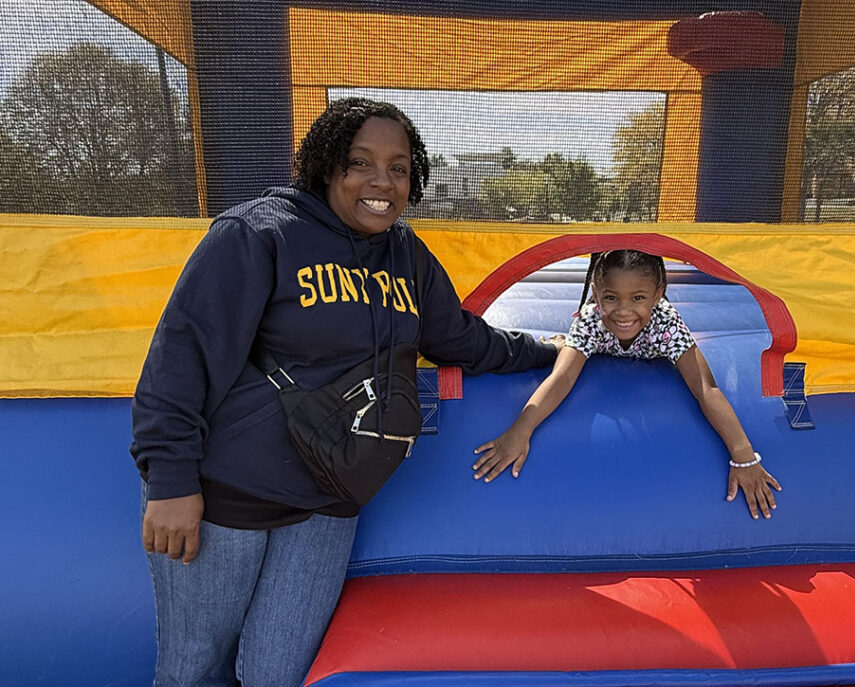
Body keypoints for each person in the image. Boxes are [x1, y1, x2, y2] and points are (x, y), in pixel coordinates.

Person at [130, 97, 560, 687]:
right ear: (327, 166)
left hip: (330, 503)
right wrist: (171, 480)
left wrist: (561, 348)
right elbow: (182, 359)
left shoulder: (405, 254)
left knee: (275, 676)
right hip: (231, 499)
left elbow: (460, 340)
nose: (382, 182)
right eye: (361, 163)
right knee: (193, 671)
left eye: (399, 168)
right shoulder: (258, 233)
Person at [472, 249, 782, 520]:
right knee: (561, 355)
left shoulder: (666, 323)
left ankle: (561, 343)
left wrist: (743, 455)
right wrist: (521, 429)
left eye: (638, 298)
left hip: (653, 345)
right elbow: (562, 378)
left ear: (658, 292)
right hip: (590, 342)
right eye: (611, 297)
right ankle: (558, 344)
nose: (623, 311)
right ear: (596, 291)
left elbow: (706, 388)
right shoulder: (593, 320)